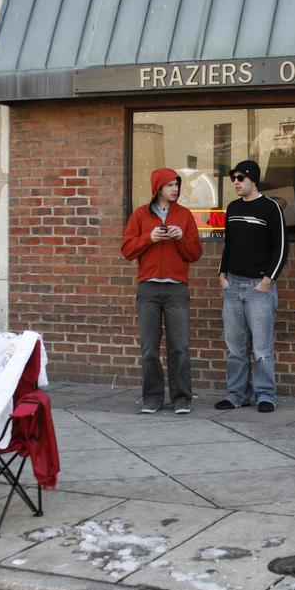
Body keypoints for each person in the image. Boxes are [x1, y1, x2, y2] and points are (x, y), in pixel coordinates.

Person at [121, 167, 202, 415]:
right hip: (148, 289)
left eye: (176, 184)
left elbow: (195, 254)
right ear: (158, 188)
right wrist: (150, 238)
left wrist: (180, 238)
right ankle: (152, 397)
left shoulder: (185, 215)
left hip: (176, 289)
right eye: (169, 185)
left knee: (180, 347)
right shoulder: (140, 216)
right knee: (149, 348)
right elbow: (127, 250)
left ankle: (181, 398)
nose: (174, 189)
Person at [216, 159, 289, 413]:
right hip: (233, 286)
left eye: (240, 178)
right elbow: (229, 244)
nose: (235, 183)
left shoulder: (271, 208)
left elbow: (281, 246)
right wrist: (222, 274)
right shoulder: (233, 208)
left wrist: (268, 280)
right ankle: (236, 394)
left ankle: (265, 394)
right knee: (236, 347)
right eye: (233, 178)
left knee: (261, 347)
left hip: (259, 287)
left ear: (253, 180)